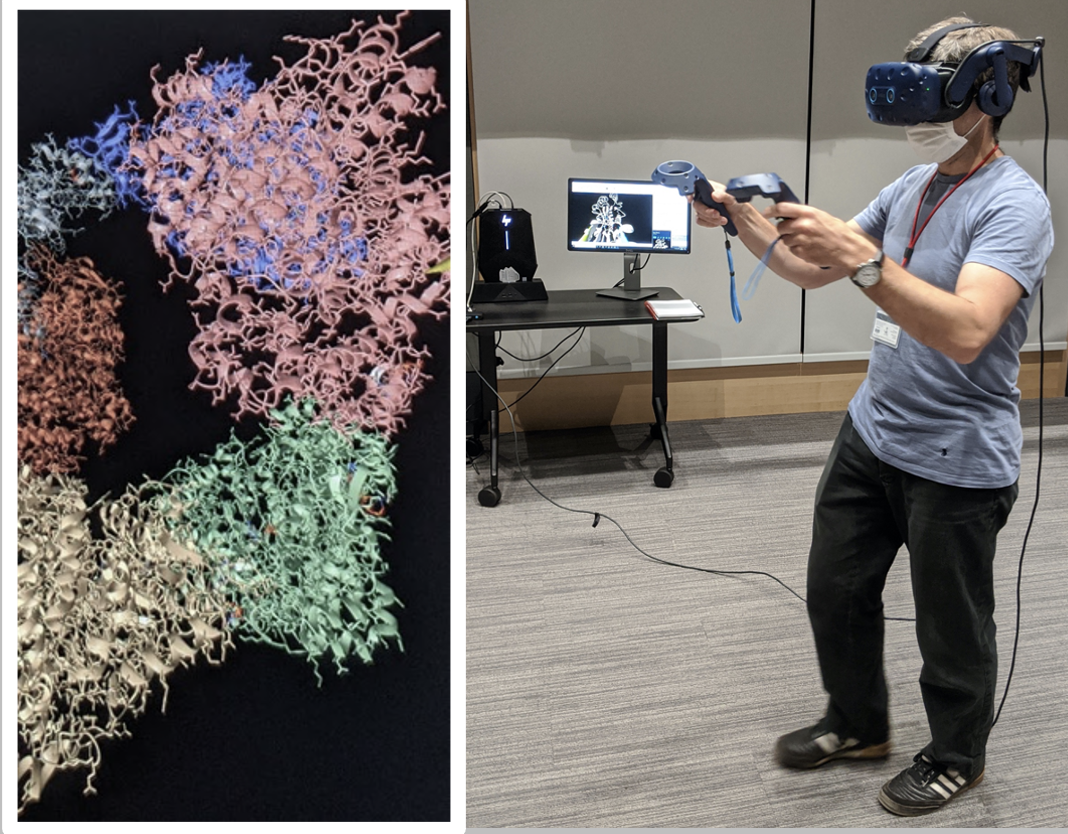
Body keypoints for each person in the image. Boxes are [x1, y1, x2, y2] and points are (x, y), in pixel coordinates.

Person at [691, 16, 1053, 817]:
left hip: (956, 458)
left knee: (950, 627)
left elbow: (964, 330)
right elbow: (804, 267)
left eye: (936, 104)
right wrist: (737, 217)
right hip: (874, 432)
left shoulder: (1017, 207)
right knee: (834, 590)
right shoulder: (912, 189)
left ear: (987, 98)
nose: (919, 124)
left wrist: (864, 263)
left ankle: (958, 755)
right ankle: (859, 724)